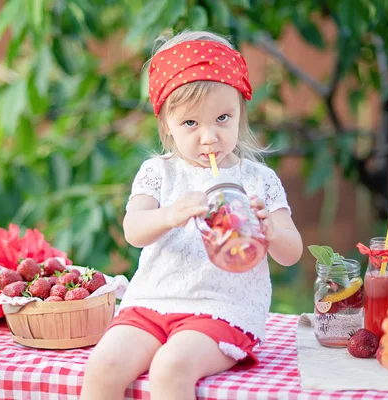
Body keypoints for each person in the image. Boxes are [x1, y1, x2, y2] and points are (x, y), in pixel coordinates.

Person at [81, 30, 303, 400]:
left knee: (171, 367)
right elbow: (134, 230)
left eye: (222, 118)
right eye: (190, 123)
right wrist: (172, 213)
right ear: (166, 123)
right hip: (152, 303)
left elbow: (291, 251)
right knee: (103, 367)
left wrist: (271, 233)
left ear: (240, 114)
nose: (209, 137)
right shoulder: (159, 172)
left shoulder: (257, 180)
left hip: (221, 309)